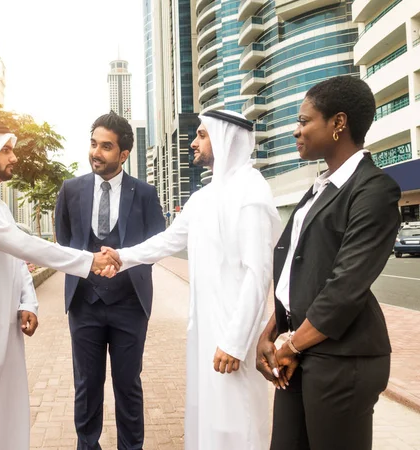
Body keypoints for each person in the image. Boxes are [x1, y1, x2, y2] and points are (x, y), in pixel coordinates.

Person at [100, 110, 281, 449]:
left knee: (237, 421)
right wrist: (121, 257)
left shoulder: (251, 192)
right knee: (208, 420)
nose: (194, 142)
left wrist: (235, 341)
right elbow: (166, 242)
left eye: (202, 134)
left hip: (232, 335)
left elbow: (259, 274)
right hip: (206, 333)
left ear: (226, 139)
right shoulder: (203, 197)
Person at [0, 124, 120, 450]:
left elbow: (15, 258)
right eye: (6, 150)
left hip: (3, 330)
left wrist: (29, 302)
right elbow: (23, 244)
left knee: (5, 419)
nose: (14, 157)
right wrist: (88, 261)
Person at [255, 75, 401, 450]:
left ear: (338, 123)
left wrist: (291, 345)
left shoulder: (374, 190)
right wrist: (272, 331)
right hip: (302, 351)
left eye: (304, 121)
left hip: (343, 359)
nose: (296, 131)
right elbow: (298, 274)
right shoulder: (320, 187)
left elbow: (344, 287)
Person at [54, 112, 165, 449]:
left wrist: (124, 262)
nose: (96, 152)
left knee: (128, 384)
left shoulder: (144, 193)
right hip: (84, 304)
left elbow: (156, 244)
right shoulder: (70, 190)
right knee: (86, 385)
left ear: (124, 154)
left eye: (105, 146)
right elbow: (64, 240)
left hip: (130, 304)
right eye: (93, 144)